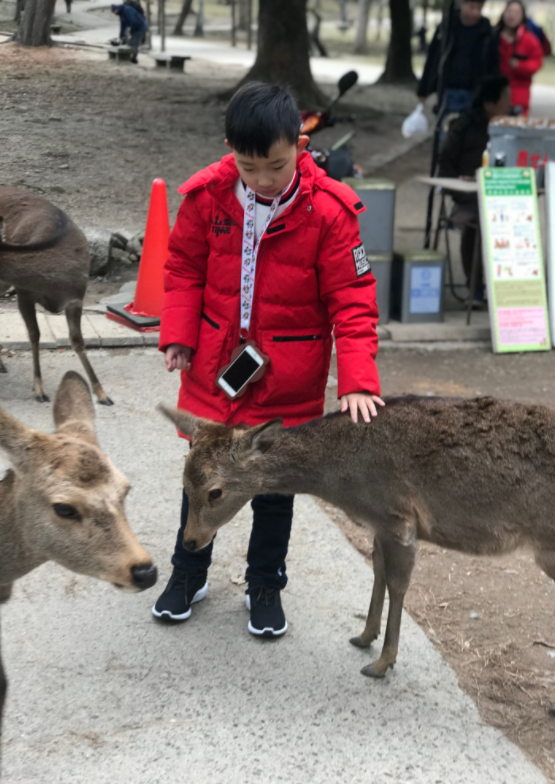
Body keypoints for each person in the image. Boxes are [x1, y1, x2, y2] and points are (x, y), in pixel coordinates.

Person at [152, 83, 383, 636]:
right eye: (248, 166)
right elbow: (182, 269)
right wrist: (177, 335)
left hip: (288, 381)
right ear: (229, 147)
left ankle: (265, 583)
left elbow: (353, 300)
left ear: (300, 146)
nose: (261, 180)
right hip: (215, 371)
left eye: (276, 166)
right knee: (205, 478)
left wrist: (356, 379)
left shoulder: (329, 212)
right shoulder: (208, 198)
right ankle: (189, 571)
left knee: (274, 489)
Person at [438, 76, 512, 302]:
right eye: (505, 99)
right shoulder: (463, 127)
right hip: (468, 199)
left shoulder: (512, 129)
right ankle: (475, 287)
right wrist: (464, 190)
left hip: (503, 196)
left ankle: (512, 290)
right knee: (478, 223)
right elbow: (445, 169)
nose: (510, 104)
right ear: (490, 104)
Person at [417, 0, 500, 118]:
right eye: (472, 7)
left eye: (479, 8)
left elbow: (493, 66)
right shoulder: (447, 28)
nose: (475, 13)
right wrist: (423, 90)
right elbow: (433, 59)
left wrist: (492, 95)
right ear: (462, 5)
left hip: (475, 93)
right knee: (446, 131)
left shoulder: (487, 33)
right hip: (448, 90)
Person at [497, 1, 544, 115]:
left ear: (522, 16)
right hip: (496, 95)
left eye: (516, 13)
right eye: (509, 11)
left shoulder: (529, 40)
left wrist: (520, 66)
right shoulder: (494, 36)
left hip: (519, 96)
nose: (511, 16)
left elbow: (537, 62)